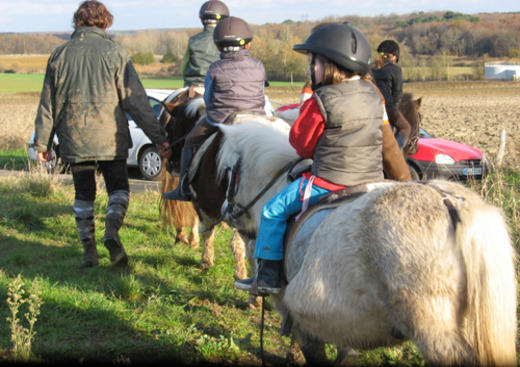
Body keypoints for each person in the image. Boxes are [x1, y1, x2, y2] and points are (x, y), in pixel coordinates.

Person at [235, 22, 385, 295]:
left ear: (329, 64)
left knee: (272, 210)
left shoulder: (321, 100)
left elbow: (301, 146)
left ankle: (268, 277)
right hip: (373, 181)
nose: (308, 70)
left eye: (312, 62)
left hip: (329, 182)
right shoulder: (374, 96)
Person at [33, 0, 171, 269]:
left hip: (74, 137)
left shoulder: (59, 55)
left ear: (77, 22)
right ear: (105, 22)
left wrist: (43, 142)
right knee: (118, 188)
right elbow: (137, 102)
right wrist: (158, 136)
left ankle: (89, 252)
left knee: (84, 194)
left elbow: (48, 104)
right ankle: (112, 230)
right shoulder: (115, 53)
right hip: (111, 136)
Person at [163, 16, 267, 201]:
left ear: (218, 47)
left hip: (221, 118)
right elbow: (260, 91)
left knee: (190, 141)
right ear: (248, 45)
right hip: (255, 118)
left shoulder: (214, 69)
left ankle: (184, 187)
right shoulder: (259, 65)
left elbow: (208, 99)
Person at [371, 40, 411, 150]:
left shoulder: (370, 68)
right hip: (387, 107)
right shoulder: (395, 69)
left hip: (369, 105)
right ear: (393, 57)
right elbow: (397, 95)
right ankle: (394, 152)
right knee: (406, 128)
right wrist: (395, 112)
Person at [181, 0, 230, 87]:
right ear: (223, 20)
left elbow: (184, 67)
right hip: (218, 86)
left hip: (193, 86)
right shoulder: (227, 41)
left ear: (203, 20)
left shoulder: (193, 40)